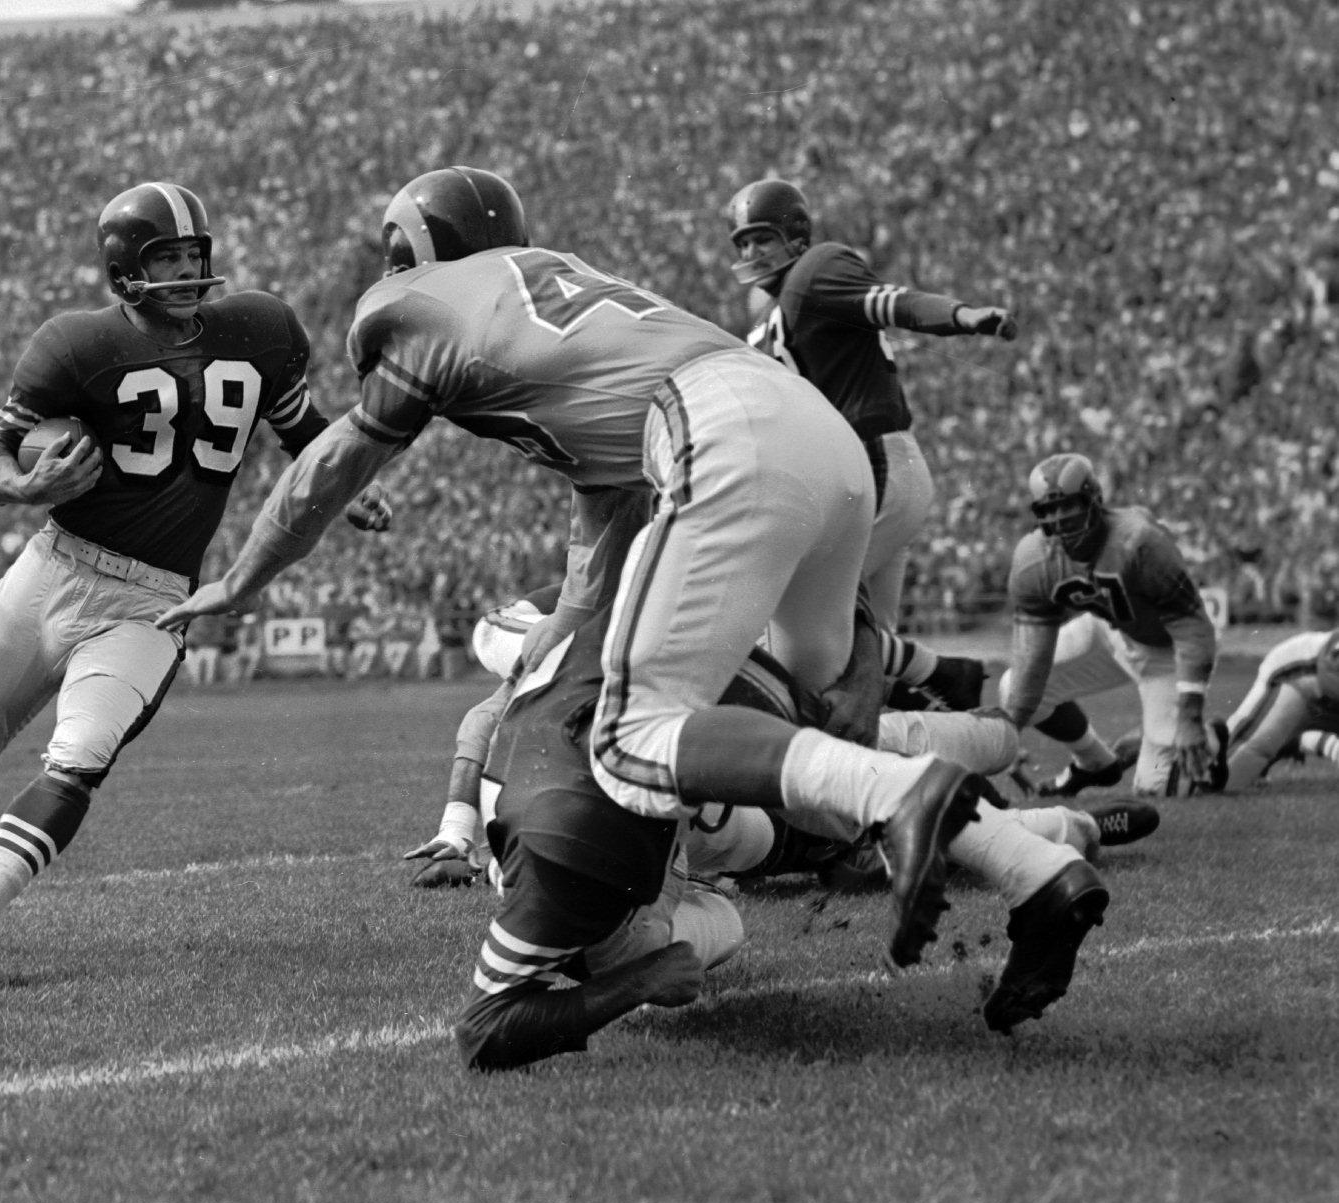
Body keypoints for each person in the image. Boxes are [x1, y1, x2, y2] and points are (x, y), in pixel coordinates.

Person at [162, 164, 1016, 972]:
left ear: (410, 250)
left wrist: (243, 578)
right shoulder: (580, 293)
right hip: (810, 430)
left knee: (636, 729)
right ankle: (1021, 813)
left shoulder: (420, 302)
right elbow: (606, 492)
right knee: (817, 712)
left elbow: (335, 462)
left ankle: (784, 843)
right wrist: (572, 618)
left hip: (719, 436)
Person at [0, 181, 390, 975]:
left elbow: (300, 428)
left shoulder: (260, 330)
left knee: (77, 757)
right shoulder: (76, 345)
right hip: (52, 570)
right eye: (169, 258)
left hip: (153, 600)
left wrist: (342, 482)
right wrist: (21, 485)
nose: (189, 272)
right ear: (124, 273)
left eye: (196, 255)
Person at [435, 595, 1112, 1070]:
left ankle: (1015, 797)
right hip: (627, 814)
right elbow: (483, 1032)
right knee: (816, 801)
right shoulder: (573, 865)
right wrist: (633, 987)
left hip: (640, 757)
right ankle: (1022, 812)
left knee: (832, 777)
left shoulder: (585, 634)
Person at [727, 178, 1017, 710]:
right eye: (742, 243)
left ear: (795, 238)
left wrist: (960, 316)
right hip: (859, 473)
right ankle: (964, 729)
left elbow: (893, 302)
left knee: (803, 632)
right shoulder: (769, 311)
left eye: (762, 239)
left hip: (874, 464)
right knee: (864, 663)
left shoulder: (815, 272)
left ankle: (948, 677)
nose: (751, 253)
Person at [998, 453, 1221, 798]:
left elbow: (1192, 624)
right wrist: (1006, 736)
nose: (1059, 520)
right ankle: (1094, 763)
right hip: (1110, 632)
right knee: (1013, 686)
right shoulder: (1034, 558)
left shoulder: (1139, 542)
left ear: (1094, 500)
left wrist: (1190, 716)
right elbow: (1033, 658)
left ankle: (1213, 737)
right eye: (1049, 510)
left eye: (1068, 506)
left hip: (1165, 650)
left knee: (1157, 787)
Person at [1208, 627, 1339, 792]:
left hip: (1327, 683)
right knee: (1229, 775)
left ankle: (1297, 739)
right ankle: (1205, 749)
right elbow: (1331, 659)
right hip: (1299, 673)